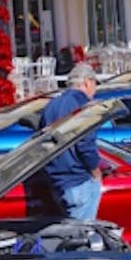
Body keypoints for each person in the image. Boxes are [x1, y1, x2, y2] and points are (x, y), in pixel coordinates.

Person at [40, 63, 103, 220]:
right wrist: (96, 171)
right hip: (78, 180)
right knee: (82, 235)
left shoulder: (51, 105)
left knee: (68, 234)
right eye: (94, 85)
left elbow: (43, 141)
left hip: (57, 181)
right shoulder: (82, 106)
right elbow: (85, 145)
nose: (94, 91)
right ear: (87, 82)